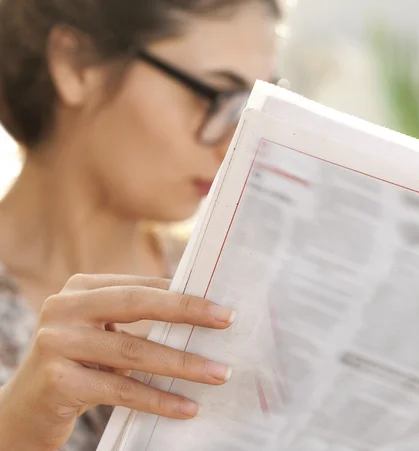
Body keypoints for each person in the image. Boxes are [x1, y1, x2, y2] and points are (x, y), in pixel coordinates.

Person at [0, 0, 281, 449]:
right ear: (75, 65)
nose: (235, 141)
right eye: (212, 95)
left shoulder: (237, 295)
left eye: (252, 108)